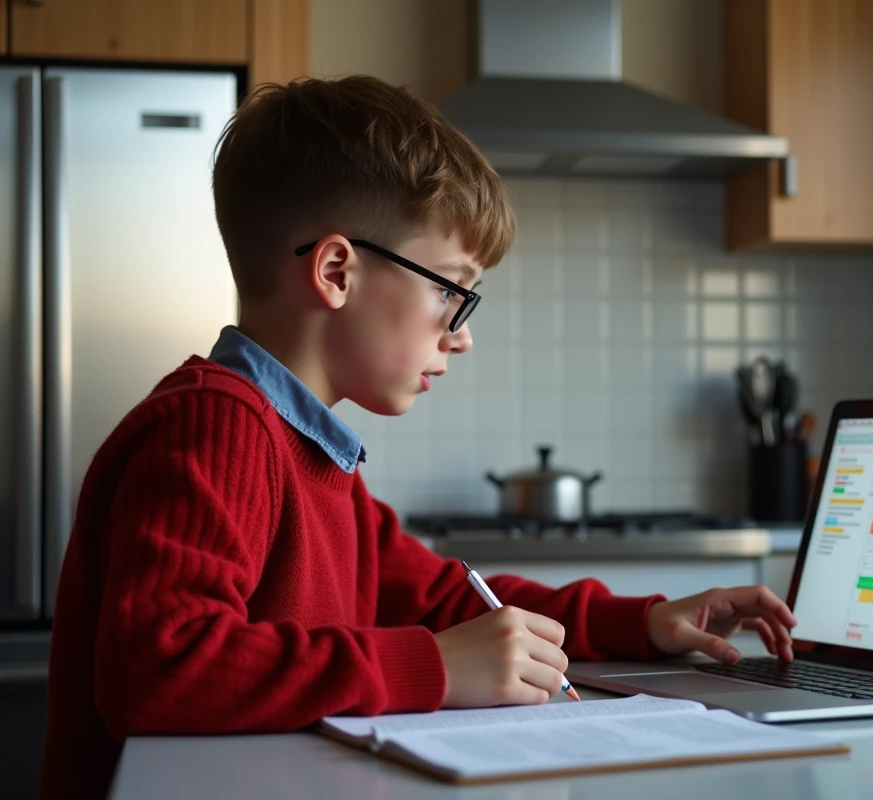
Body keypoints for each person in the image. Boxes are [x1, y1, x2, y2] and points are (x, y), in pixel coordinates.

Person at [39, 76, 798, 799]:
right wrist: (432, 665)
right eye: (449, 291)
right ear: (337, 270)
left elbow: (450, 599)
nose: (459, 337)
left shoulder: (309, 454)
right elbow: (160, 667)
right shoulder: (217, 426)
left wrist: (643, 621)